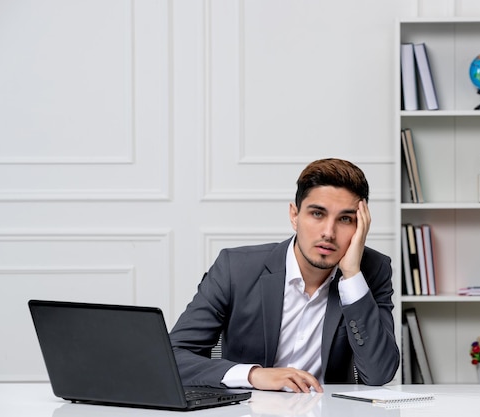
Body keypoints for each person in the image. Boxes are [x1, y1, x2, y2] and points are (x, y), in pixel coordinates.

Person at [169, 158, 399, 393]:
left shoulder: (371, 271)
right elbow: (173, 358)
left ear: (361, 226)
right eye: (317, 214)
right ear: (294, 215)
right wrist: (253, 375)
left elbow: (379, 373)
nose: (329, 233)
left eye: (345, 219)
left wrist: (351, 275)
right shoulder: (235, 269)